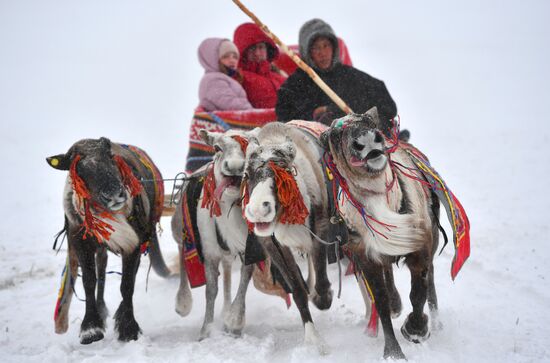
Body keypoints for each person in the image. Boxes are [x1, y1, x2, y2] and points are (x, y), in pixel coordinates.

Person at [276, 19, 398, 134]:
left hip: (359, 145)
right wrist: (314, 114)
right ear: (307, 51)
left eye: (326, 46)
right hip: (316, 147)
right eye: (316, 48)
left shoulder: (351, 77)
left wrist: (364, 120)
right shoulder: (297, 83)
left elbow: (387, 106)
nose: (322, 53)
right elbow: (284, 114)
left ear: (334, 47)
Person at [233, 23, 286, 108]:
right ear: (243, 51)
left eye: (261, 47)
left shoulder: (281, 78)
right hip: (257, 121)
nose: (257, 53)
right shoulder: (238, 77)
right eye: (252, 48)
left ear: (267, 50)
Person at [198, 38, 252, 111]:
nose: (232, 60)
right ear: (214, 59)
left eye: (235, 57)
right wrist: (253, 112)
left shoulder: (222, 77)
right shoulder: (214, 80)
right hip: (226, 121)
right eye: (226, 56)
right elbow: (229, 103)